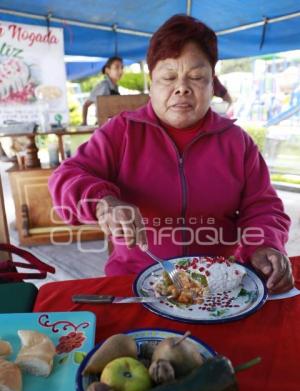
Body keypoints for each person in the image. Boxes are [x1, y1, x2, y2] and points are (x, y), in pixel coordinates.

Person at [49, 15, 293, 294]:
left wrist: (265, 244)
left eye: (197, 77)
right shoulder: (122, 132)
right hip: (136, 283)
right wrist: (104, 202)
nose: (182, 87)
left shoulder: (238, 143)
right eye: (168, 77)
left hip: (217, 282)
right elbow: (65, 177)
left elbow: (262, 206)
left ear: (213, 84)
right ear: (151, 83)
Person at [82, 56, 124, 125]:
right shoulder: (103, 86)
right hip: (104, 125)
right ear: (107, 70)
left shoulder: (115, 86)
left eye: (122, 67)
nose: (121, 71)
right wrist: (84, 123)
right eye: (117, 67)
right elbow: (86, 105)